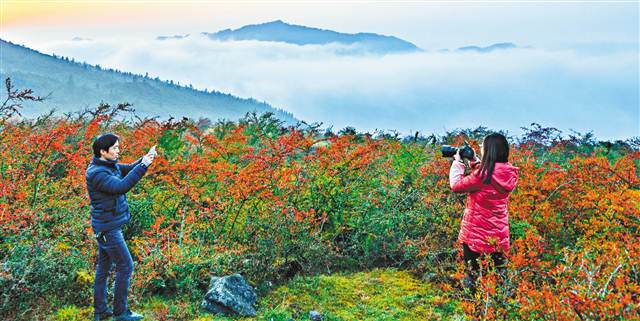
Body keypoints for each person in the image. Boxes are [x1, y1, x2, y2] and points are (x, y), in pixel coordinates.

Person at [86, 133, 156, 321]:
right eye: (115, 148)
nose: (119, 151)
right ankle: (120, 313)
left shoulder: (109, 166)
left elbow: (128, 169)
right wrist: (143, 166)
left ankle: (100, 312)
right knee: (125, 266)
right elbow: (122, 186)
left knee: (103, 268)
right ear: (103, 151)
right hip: (108, 229)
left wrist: (144, 159)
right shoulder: (97, 173)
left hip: (107, 226)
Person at [449, 133, 518, 294]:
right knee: (498, 277)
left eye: (482, 145)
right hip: (499, 235)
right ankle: (499, 309)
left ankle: (474, 310)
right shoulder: (509, 173)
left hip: (475, 234)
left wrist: (458, 162)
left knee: (472, 275)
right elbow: (488, 174)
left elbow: (456, 186)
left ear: (490, 150)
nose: (480, 147)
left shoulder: (482, 176)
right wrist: (474, 160)